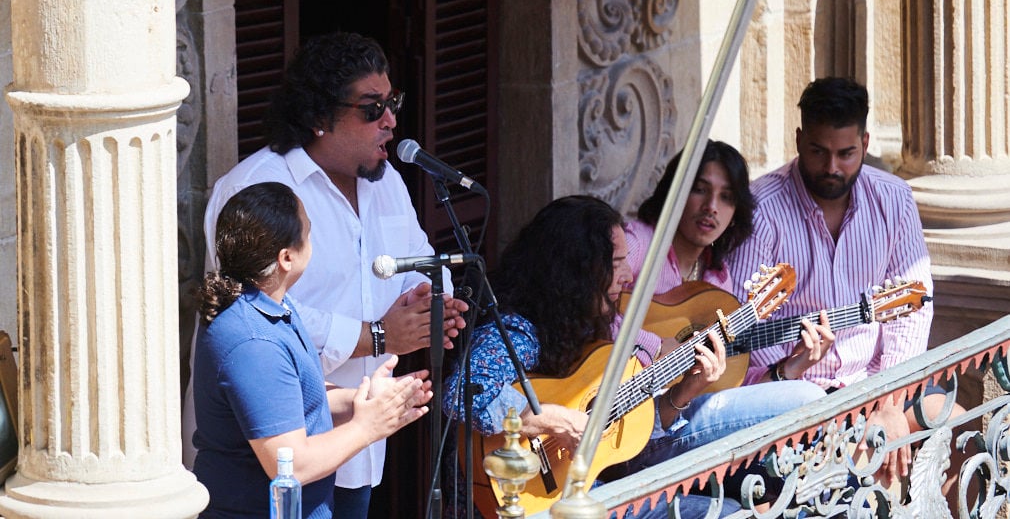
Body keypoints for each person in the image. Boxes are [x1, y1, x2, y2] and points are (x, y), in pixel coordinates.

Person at [191, 31, 469, 516]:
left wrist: (427, 307)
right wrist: (377, 336)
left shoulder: (388, 185)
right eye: (371, 108)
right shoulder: (257, 190)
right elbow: (249, 308)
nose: (391, 121)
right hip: (268, 460)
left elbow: (418, 260)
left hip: (354, 435)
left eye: (392, 102)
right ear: (320, 117)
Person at [444, 196, 820, 518]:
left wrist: (685, 391)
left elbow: (633, 455)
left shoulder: (589, 329)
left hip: (601, 492)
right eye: (617, 262)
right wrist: (557, 421)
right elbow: (465, 395)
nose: (627, 277)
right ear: (576, 269)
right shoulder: (519, 329)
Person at [728, 76, 962, 489]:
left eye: (846, 153)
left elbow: (911, 312)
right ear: (799, 140)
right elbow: (746, 336)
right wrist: (799, 369)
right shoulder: (762, 210)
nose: (832, 167)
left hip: (877, 387)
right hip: (794, 404)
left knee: (961, 429)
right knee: (868, 467)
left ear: (866, 143)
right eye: (818, 151)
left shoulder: (893, 198)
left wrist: (888, 402)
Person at [192, 182, 431, 518]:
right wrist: (369, 426)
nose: (312, 239)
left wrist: (362, 400)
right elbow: (290, 465)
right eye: (308, 231)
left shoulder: (272, 306)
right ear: (286, 258)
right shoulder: (253, 341)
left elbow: (293, 401)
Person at [615, 139, 826, 473]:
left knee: (804, 395)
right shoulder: (640, 243)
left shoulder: (717, 282)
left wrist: (790, 368)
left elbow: (728, 387)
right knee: (807, 400)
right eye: (700, 190)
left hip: (673, 423)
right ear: (676, 190)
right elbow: (583, 308)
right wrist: (654, 346)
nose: (712, 206)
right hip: (613, 421)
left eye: (727, 197)